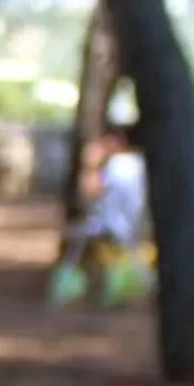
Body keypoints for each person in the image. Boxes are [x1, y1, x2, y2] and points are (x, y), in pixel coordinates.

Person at [55, 122, 150, 299]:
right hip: (129, 224)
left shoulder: (118, 166)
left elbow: (90, 191)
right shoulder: (137, 163)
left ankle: (65, 291)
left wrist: (90, 164)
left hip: (114, 225)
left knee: (77, 236)